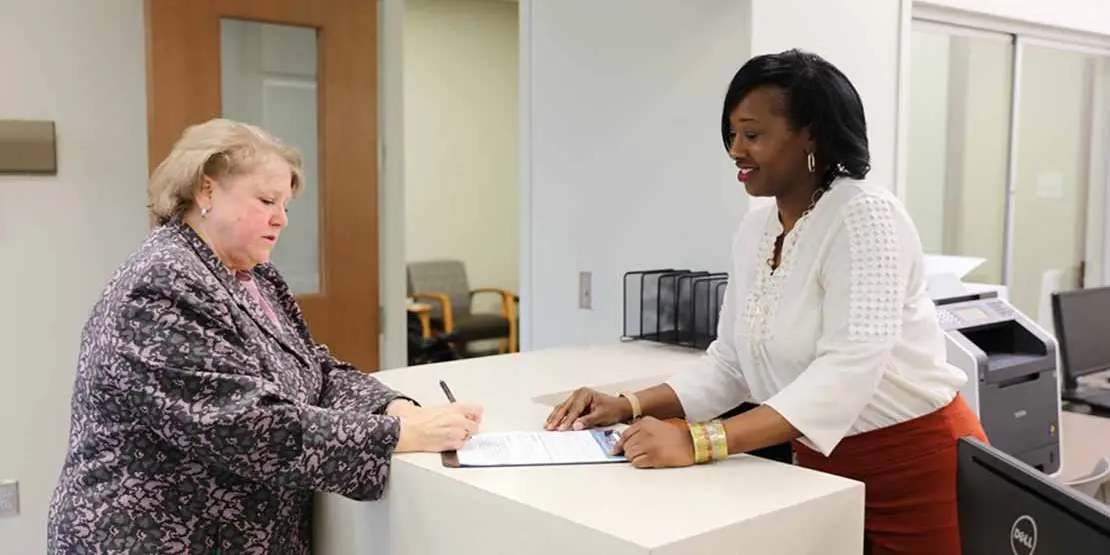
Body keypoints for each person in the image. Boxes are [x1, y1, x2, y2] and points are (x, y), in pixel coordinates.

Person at [545, 49, 987, 555]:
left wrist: (699, 441)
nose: (736, 149)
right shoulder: (757, 227)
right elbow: (731, 364)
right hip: (819, 474)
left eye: (752, 134)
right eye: (731, 134)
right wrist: (627, 404)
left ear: (812, 136)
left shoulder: (864, 216)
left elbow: (845, 374)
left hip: (914, 471)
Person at [47, 118, 482, 554]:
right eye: (266, 200)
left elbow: (314, 369)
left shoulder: (252, 274)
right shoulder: (164, 280)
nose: (282, 219)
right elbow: (245, 426)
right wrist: (396, 434)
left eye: (286, 205)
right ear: (206, 190)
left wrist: (392, 406)